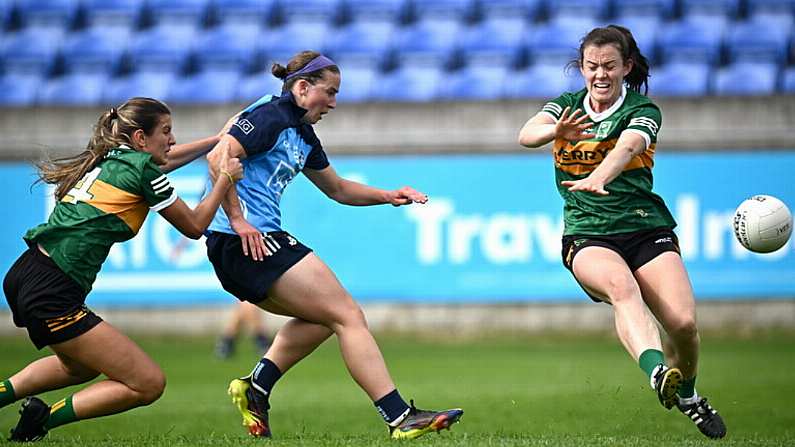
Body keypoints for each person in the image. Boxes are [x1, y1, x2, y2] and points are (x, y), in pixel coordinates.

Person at [202, 51, 463, 440]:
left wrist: (388, 195)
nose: (335, 103)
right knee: (347, 314)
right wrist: (239, 221)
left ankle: (256, 388)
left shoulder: (303, 134)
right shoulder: (271, 115)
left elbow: (338, 189)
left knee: (326, 317)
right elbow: (219, 154)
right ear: (303, 87)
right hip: (244, 241)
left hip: (248, 244)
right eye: (330, 92)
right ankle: (398, 416)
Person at [517, 25, 726, 439]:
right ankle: (656, 372)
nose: (600, 75)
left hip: (644, 227)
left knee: (683, 324)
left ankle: (687, 393)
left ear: (626, 67)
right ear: (581, 68)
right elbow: (526, 135)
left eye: (609, 66)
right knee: (621, 288)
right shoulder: (566, 107)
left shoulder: (643, 110)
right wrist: (554, 131)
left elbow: (628, 147)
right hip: (588, 231)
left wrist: (600, 174)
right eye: (591, 66)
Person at [1, 97, 243, 442]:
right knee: (147, 384)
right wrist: (224, 178)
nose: (172, 140)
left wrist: (216, 141)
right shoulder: (141, 169)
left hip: (28, 272)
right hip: (52, 289)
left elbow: (163, 161)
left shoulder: (113, 160)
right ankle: (40, 419)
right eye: (166, 131)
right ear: (141, 139)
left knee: (79, 367)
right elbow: (193, 226)